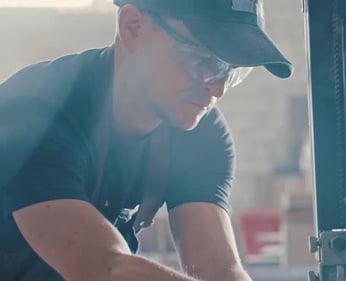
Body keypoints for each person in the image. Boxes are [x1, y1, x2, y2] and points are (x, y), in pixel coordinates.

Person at [0, 0, 292, 280]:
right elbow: (105, 269)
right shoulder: (34, 112)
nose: (216, 89)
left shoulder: (198, 131)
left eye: (230, 71)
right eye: (200, 59)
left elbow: (219, 271)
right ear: (133, 26)